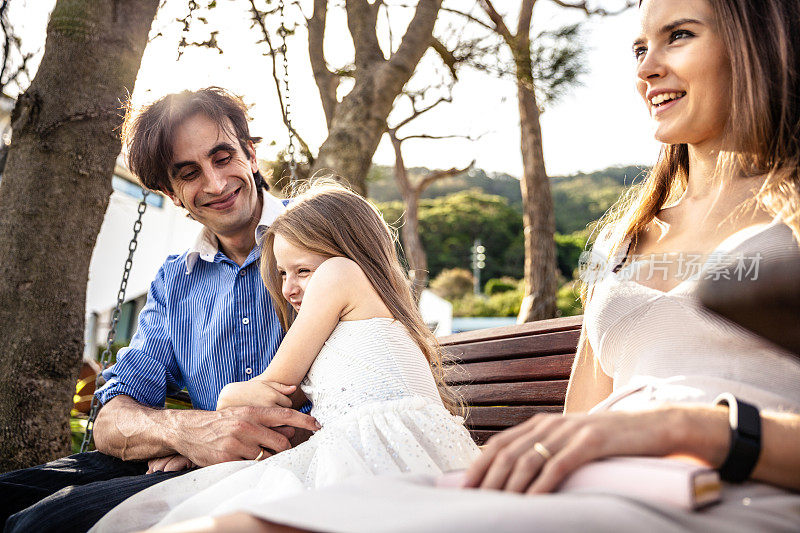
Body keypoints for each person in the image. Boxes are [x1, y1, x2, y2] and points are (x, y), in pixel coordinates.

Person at [117, 0, 800, 530]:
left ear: (754, 41)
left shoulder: (790, 211)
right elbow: (577, 419)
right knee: (235, 522)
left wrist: (693, 425)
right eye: (639, 47)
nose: (646, 67)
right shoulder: (628, 232)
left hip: (729, 489)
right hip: (606, 481)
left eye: (679, 36)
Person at [0, 88, 320, 533]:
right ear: (171, 194)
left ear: (250, 153)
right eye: (189, 174)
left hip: (288, 471)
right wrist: (184, 433)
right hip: (196, 463)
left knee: (40, 525)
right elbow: (111, 418)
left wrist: (204, 441)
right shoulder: (175, 281)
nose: (214, 183)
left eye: (223, 157)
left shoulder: (322, 235)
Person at [89, 182, 480, 532]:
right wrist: (191, 443)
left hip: (373, 453)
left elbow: (271, 386)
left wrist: (224, 401)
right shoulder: (361, 308)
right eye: (281, 273)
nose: (289, 288)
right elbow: (277, 406)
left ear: (348, 252)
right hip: (389, 449)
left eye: (302, 270)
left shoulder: (340, 274)